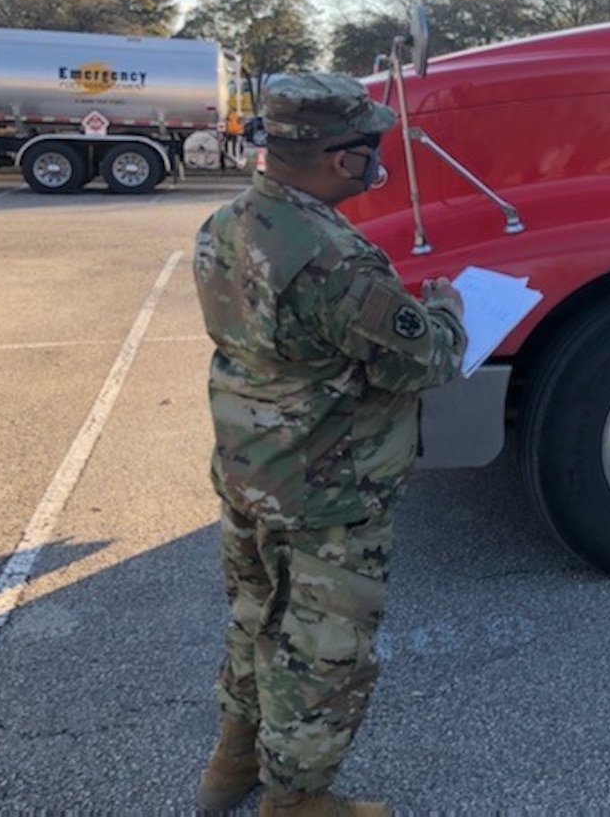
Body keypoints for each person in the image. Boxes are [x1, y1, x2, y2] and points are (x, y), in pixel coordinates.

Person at [192, 72, 467, 816]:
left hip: (249, 473)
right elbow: (426, 361)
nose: (376, 159)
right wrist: (444, 308)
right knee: (321, 651)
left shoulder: (223, 225)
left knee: (255, 617)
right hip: (328, 492)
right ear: (340, 159)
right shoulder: (334, 260)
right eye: (368, 146)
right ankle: (297, 802)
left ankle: (230, 764)